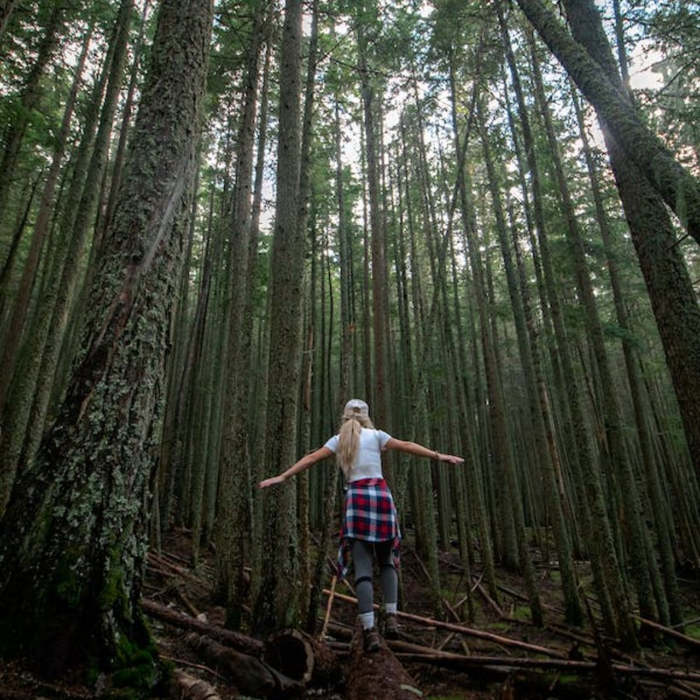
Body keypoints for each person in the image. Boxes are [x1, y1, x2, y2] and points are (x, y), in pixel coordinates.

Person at [259, 398, 464, 652]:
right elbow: (407, 445)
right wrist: (438, 456)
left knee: (364, 569)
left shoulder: (339, 441)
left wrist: (283, 476)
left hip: (356, 500)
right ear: (366, 416)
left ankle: (369, 631)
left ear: (345, 417)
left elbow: (311, 458)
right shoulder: (377, 436)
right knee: (388, 562)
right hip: (380, 497)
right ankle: (391, 619)